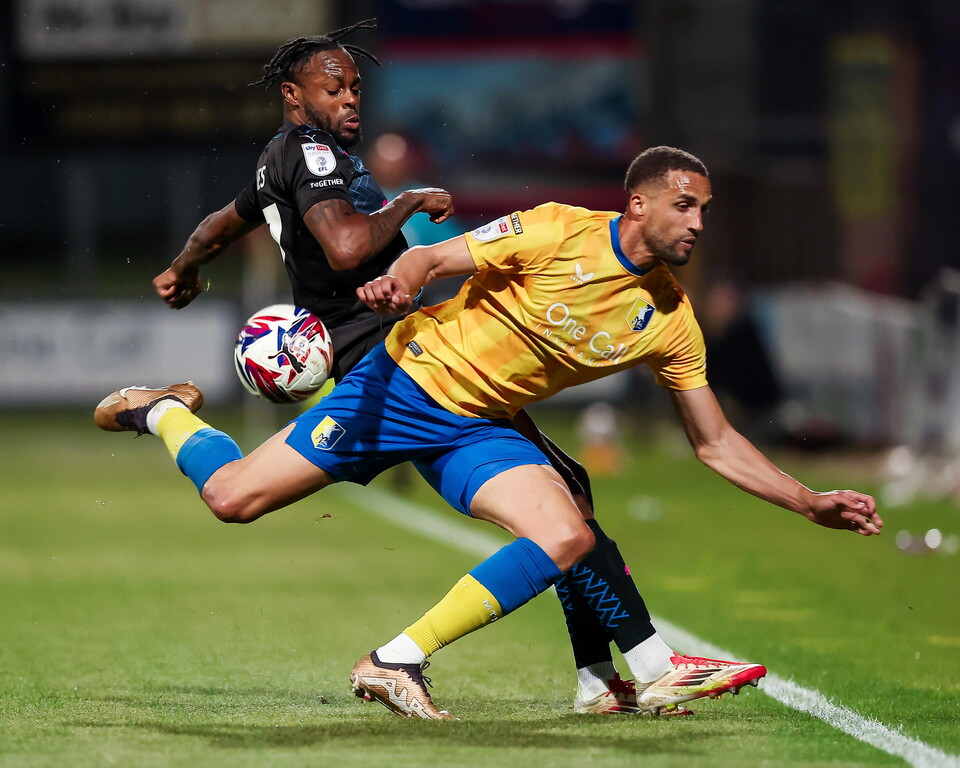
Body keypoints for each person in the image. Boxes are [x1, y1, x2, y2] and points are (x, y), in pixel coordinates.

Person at [96, 145, 882, 720]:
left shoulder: (671, 317)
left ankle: (398, 660)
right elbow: (432, 260)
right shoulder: (558, 231)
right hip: (403, 385)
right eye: (685, 205)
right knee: (232, 499)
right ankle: (161, 408)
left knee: (568, 529)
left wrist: (808, 501)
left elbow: (714, 442)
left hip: (478, 427)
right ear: (639, 204)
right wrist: (397, 281)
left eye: (705, 209)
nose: (698, 222)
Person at [151, 20, 707, 718]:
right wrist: (410, 200)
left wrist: (184, 266)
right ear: (293, 95)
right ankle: (163, 410)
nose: (351, 100)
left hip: (416, 364)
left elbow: (223, 222)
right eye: (334, 88)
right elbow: (349, 248)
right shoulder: (309, 153)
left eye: (356, 88)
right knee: (234, 497)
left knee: (570, 503)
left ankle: (610, 676)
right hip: (388, 372)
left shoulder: (293, 161)